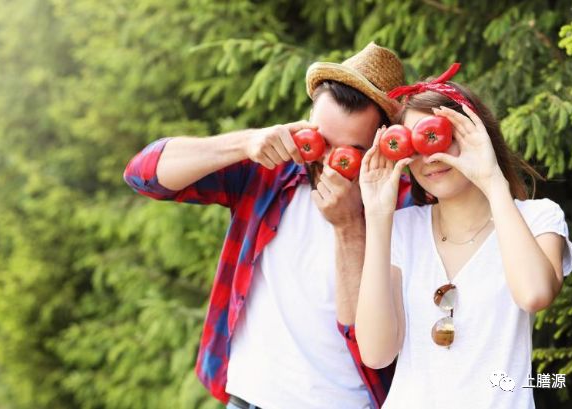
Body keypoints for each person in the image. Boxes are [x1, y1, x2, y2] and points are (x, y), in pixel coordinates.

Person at [123, 42, 412, 409]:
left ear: (383, 143)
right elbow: (144, 175)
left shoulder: (403, 206)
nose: (324, 159)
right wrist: (246, 142)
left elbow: (372, 345)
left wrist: (349, 227)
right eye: (319, 139)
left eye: (347, 151)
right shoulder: (272, 172)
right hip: (248, 398)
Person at [354, 64, 572, 409]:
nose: (431, 154)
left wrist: (491, 180)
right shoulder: (402, 228)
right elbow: (376, 352)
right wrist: (378, 217)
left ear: (478, 137)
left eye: (444, 135)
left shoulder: (537, 218)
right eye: (416, 144)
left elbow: (534, 294)